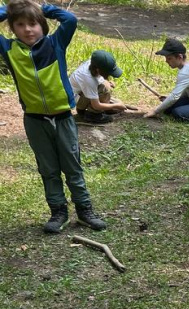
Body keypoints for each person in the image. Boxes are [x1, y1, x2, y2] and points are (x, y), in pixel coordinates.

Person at [0, 0, 106, 232]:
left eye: (33, 23)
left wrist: (41, 7)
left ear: (42, 25)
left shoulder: (55, 43)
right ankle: (58, 212)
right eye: (20, 24)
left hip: (63, 117)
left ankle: (85, 210)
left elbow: (70, 20)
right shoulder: (9, 50)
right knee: (47, 169)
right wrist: (9, 11)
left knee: (72, 166)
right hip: (34, 120)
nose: (28, 29)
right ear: (12, 28)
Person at [142, 38, 189, 122]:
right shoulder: (185, 68)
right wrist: (168, 99)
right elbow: (183, 92)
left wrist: (155, 111)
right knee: (167, 108)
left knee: (178, 113)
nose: (166, 61)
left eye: (169, 58)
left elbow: (174, 96)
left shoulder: (186, 72)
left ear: (179, 57)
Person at [70, 49, 127, 125]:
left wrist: (107, 80)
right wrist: (117, 105)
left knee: (106, 85)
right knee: (105, 88)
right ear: (98, 69)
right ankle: (93, 115)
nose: (109, 75)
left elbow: (99, 76)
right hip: (74, 100)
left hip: (81, 93)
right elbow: (96, 105)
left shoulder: (93, 63)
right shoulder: (89, 80)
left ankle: (104, 107)